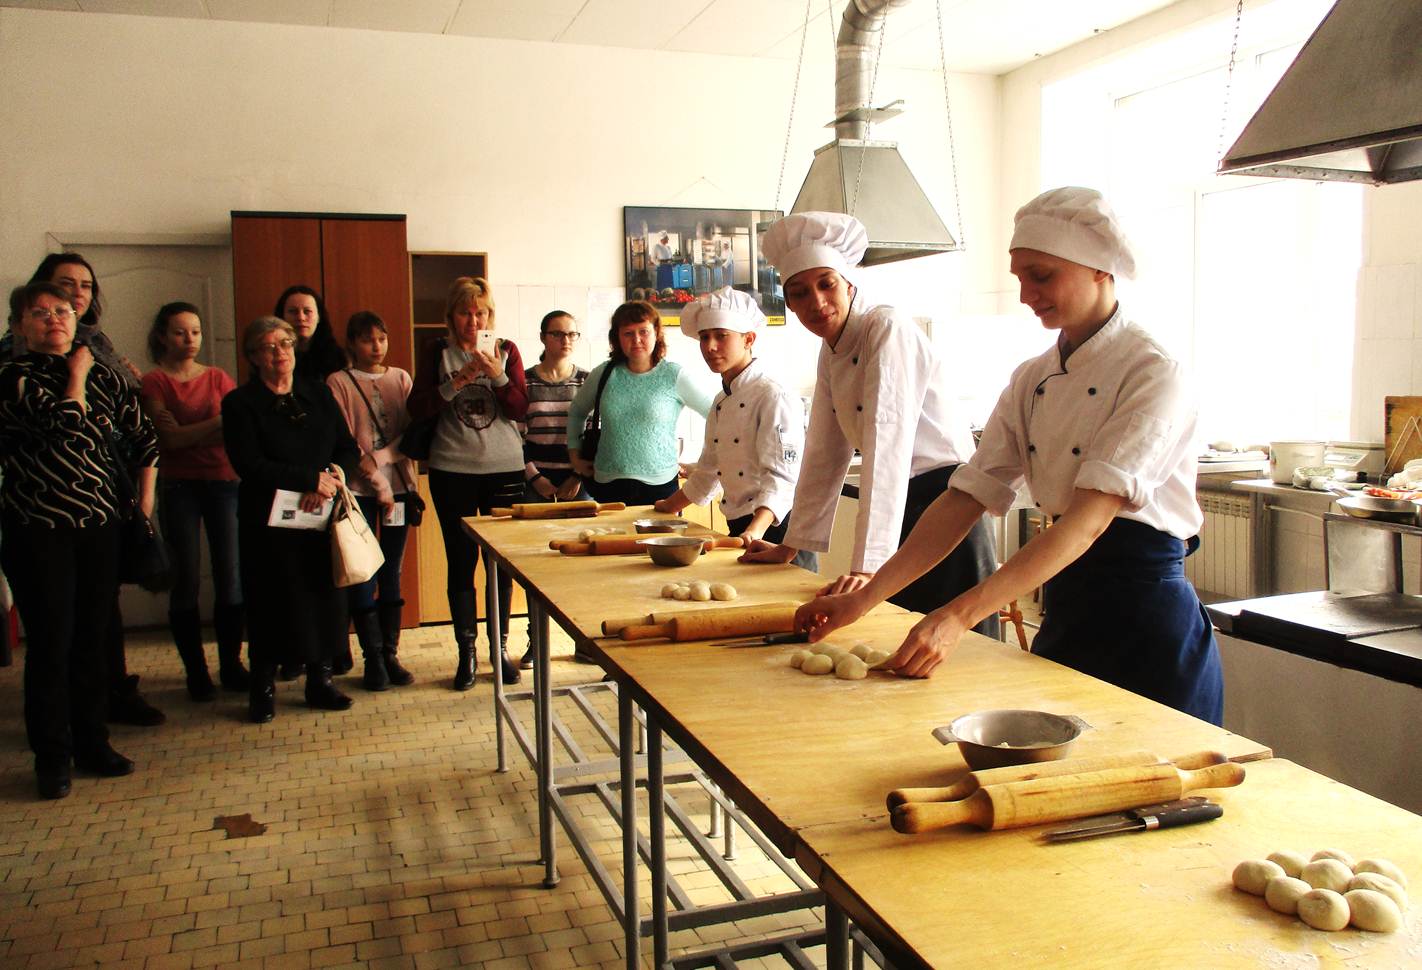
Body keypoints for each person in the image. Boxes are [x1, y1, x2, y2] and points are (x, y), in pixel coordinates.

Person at [797, 188, 1224, 724]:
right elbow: (965, 497)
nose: (1025, 294)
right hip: (1070, 605)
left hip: (1146, 616)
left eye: (1040, 276)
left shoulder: (1154, 372)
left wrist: (957, 616)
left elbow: (1087, 524)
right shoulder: (1032, 377)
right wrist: (862, 600)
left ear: (1100, 269)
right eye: (1020, 277)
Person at [741, 212, 998, 636]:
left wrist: (867, 567)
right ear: (789, 304)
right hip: (903, 508)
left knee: (961, 650)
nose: (816, 302)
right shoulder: (831, 350)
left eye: (826, 284)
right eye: (800, 293)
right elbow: (824, 451)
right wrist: (792, 545)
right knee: (896, 642)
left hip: (945, 502)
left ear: (849, 284)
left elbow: (888, 444)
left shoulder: (885, 328)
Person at [0, 281, 159, 799]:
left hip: (99, 530)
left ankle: (94, 743)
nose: (55, 319)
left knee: (92, 642)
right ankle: (52, 758)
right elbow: (64, 424)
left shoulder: (105, 378)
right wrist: (77, 374)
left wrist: (143, 506)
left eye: (64, 310)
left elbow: (146, 438)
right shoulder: (13, 377)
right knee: (52, 645)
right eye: (41, 312)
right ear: (20, 325)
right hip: (38, 531)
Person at [223, 316, 361, 723]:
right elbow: (248, 463)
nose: (279, 353)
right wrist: (307, 479)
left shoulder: (317, 393)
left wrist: (333, 477)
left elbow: (347, 447)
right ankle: (262, 688)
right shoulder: (240, 403)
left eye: (285, 344)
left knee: (324, 598)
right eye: (268, 347)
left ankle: (321, 681)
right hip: (268, 522)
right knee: (271, 602)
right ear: (253, 356)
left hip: (320, 517)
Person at [407, 277, 528, 689]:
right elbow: (418, 407)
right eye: (465, 312)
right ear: (451, 316)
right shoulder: (436, 352)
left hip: (504, 469)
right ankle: (467, 653)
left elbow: (520, 408)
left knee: (501, 564)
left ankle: (500, 650)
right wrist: (457, 381)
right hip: (452, 469)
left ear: (490, 316)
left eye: (481, 313)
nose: (473, 321)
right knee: (460, 562)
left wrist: (497, 376)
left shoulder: (507, 350)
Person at [653, 287, 814, 569]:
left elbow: (783, 478)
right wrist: (665, 508)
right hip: (741, 527)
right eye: (704, 337)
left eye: (721, 336)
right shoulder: (721, 401)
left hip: (780, 530)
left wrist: (755, 530)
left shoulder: (772, 395)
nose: (710, 346)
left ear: (749, 339)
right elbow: (709, 470)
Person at [139, 303, 247, 701]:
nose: (190, 340)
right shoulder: (154, 381)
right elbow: (169, 440)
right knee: (185, 578)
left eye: (196, 332)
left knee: (230, 576)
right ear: (163, 336)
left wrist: (191, 432)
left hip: (224, 481)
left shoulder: (218, 377)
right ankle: (196, 673)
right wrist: (215, 424)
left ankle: (232, 665)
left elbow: (236, 430)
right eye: (180, 332)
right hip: (179, 485)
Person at [326, 311, 417, 692]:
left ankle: (391, 654)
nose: (376, 346)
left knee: (391, 569)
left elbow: (413, 432)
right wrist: (374, 477)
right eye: (366, 339)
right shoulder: (339, 382)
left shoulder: (401, 378)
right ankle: (372, 658)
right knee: (362, 568)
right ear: (352, 343)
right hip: (357, 492)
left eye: (381, 338)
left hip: (400, 487)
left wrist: (381, 461)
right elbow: (343, 440)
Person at [566, 301, 715, 506]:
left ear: (656, 333)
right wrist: (575, 457)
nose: (636, 340)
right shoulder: (604, 374)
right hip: (608, 485)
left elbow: (716, 413)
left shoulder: (674, 375)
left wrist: (703, 463)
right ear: (617, 338)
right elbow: (576, 412)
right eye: (628, 333)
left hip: (661, 486)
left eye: (643, 331)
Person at [523, 311, 590, 505]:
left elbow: (593, 434)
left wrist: (577, 476)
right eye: (557, 334)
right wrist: (535, 478)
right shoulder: (525, 381)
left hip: (578, 482)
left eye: (571, 334)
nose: (566, 340)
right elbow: (516, 437)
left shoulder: (587, 380)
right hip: (534, 482)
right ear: (543, 337)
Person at [276, 285, 347, 383]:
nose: (301, 318)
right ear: (282, 317)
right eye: (293, 311)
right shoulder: (273, 357)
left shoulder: (337, 358)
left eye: (307, 311)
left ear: (319, 317)